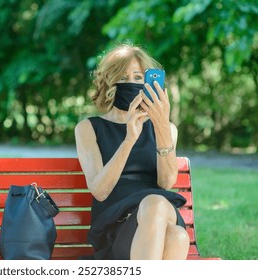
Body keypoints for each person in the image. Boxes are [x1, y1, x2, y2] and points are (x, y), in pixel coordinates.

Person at [74, 43, 190, 260]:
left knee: (163, 214)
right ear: (109, 82)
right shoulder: (88, 129)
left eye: (138, 77)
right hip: (118, 228)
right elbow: (100, 191)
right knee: (176, 236)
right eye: (123, 77)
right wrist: (129, 139)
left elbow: (166, 182)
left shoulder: (166, 129)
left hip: (158, 215)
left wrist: (162, 125)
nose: (131, 83)